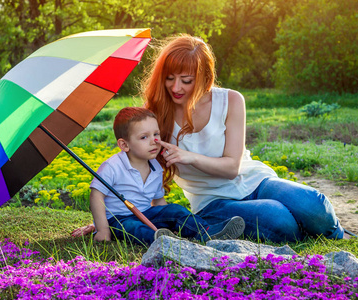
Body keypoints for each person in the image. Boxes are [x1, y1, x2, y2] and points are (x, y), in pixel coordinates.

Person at [141, 34, 345, 243]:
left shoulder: (230, 100)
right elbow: (147, 176)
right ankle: (300, 234)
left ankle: (336, 234)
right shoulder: (154, 116)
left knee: (313, 204)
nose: (176, 88)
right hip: (212, 200)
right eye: (169, 78)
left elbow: (231, 169)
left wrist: (189, 157)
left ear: (204, 77)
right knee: (278, 219)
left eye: (186, 81)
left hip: (254, 181)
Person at [73, 107, 245, 246]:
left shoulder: (156, 167)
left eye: (156, 134)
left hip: (146, 213)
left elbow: (158, 203)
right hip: (119, 220)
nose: (153, 141)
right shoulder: (112, 167)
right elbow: (96, 196)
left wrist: (166, 217)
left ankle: (208, 232)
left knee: (174, 210)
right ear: (124, 145)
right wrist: (102, 229)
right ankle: (161, 240)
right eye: (144, 137)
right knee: (133, 227)